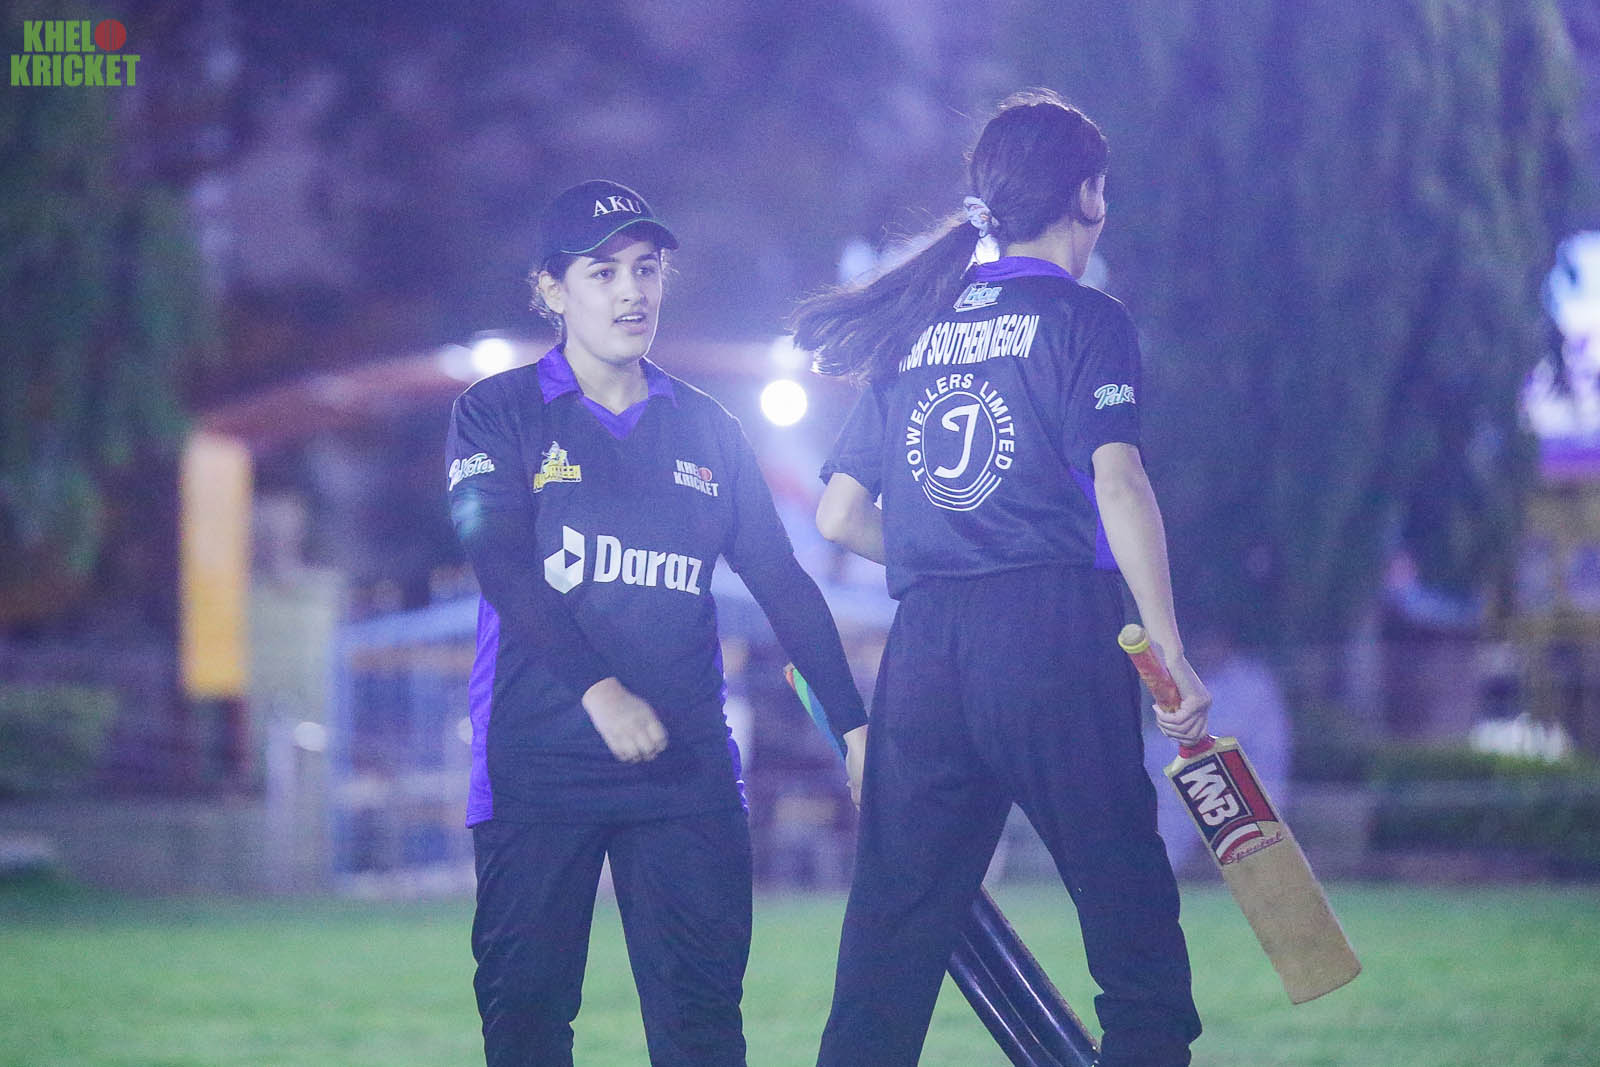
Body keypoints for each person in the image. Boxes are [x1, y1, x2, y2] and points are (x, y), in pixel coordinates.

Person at [791, 91, 1211, 1066]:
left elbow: (838, 516)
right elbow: (1119, 482)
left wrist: (943, 545)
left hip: (924, 652)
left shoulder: (914, 328)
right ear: (1088, 197)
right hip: (1050, 630)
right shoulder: (1085, 319)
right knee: (1126, 908)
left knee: (890, 939)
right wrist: (1170, 652)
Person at [446, 179, 869, 1067]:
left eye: (646, 269)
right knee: (524, 1023)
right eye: (602, 273)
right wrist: (598, 690)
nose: (631, 291)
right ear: (552, 289)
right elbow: (501, 566)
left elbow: (783, 583)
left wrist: (856, 727)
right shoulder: (497, 411)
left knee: (703, 1030)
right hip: (538, 765)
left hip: (686, 773)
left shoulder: (709, 430)